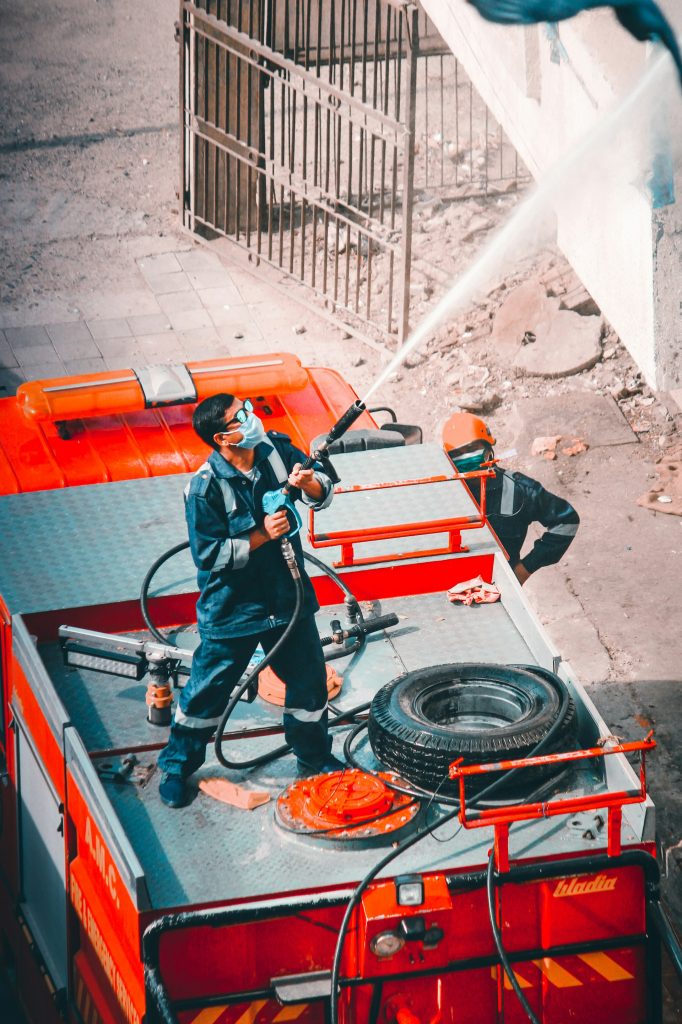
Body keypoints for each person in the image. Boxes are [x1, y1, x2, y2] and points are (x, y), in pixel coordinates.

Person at [157, 393, 343, 808]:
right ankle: (176, 766)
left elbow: (323, 490)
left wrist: (308, 483)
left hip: (287, 597)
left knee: (310, 684)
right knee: (207, 692)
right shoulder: (205, 489)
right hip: (233, 610)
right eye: (240, 416)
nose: (251, 417)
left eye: (248, 409)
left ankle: (313, 758)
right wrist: (262, 534)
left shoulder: (275, 449)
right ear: (224, 437)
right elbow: (209, 556)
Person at [442, 412, 579, 585]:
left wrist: (525, 569)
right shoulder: (443, 491)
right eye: (458, 453)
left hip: (500, 584)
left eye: (472, 449)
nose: (467, 457)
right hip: (451, 580)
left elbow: (567, 521)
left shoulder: (520, 490)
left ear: (488, 449)